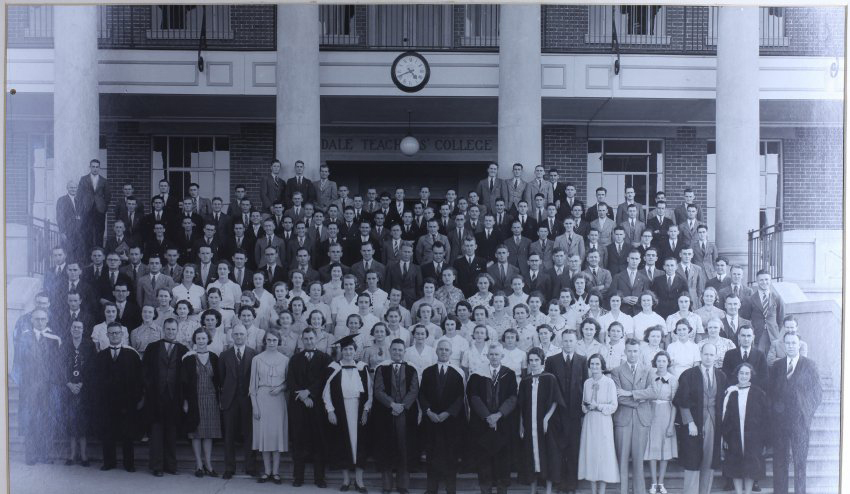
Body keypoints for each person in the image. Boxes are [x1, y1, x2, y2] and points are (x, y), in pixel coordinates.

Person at [769, 332, 822, 494]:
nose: (791, 346)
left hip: (800, 422)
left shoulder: (809, 365)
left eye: (793, 343)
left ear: (799, 345)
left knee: (800, 463)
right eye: (788, 343)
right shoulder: (777, 366)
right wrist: (775, 411)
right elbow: (770, 392)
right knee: (779, 462)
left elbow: (817, 393)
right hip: (780, 423)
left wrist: (806, 413)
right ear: (783, 345)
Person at [673, 343, 727, 494]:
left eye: (711, 355)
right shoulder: (689, 374)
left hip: (714, 422)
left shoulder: (721, 376)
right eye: (706, 354)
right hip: (694, 421)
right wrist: (689, 422)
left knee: (709, 460)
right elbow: (682, 400)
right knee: (692, 459)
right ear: (700, 354)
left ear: (715, 357)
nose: (708, 357)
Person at [323, 334, 372, 493]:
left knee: (361, 445)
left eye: (351, 349)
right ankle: (346, 480)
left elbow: (370, 393)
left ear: (355, 351)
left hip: (358, 409)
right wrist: (330, 411)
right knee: (342, 443)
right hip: (341, 409)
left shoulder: (362, 367)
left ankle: (359, 481)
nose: (348, 352)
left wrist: (366, 410)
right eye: (345, 349)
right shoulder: (334, 368)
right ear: (341, 351)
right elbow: (326, 393)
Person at [92, 322, 143, 472]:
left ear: (122, 335)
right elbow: (95, 380)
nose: (114, 335)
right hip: (106, 402)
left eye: (117, 333)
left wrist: (138, 398)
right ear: (107, 335)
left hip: (127, 402)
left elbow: (139, 379)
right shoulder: (101, 356)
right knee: (108, 432)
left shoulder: (132, 354)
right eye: (111, 333)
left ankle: (129, 464)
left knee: (128, 433)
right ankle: (109, 462)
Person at [468, 342, 518, 494]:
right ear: (487, 356)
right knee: (483, 458)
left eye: (497, 354)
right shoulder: (477, 374)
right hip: (483, 423)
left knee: (503, 459)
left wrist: (498, 415)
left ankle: (502, 490)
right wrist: (488, 416)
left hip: (502, 422)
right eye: (492, 354)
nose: (494, 357)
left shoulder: (509, 374)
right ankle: (486, 490)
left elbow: (513, 397)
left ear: (502, 356)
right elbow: (473, 396)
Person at [141, 318, 189, 476]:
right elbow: (145, 371)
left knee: (171, 432)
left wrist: (183, 397)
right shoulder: (152, 347)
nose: (170, 332)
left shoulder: (183, 349)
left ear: (177, 330)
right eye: (168, 329)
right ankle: (157, 467)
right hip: (156, 397)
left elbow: (185, 376)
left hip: (174, 397)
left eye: (173, 329)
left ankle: (171, 466)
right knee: (156, 432)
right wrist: (150, 390)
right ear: (163, 329)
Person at [15, 309, 62, 465]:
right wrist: (23, 383)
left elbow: (57, 365)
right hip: (30, 386)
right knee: (31, 420)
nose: (40, 322)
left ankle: (46, 454)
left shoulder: (53, 339)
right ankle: (31, 455)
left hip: (48, 386)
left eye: (43, 319)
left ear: (47, 320)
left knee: (46, 420)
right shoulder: (24, 338)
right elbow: (18, 363)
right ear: (32, 320)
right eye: (37, 319)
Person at [373, 339, 420, 494]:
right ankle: (387, 485)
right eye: (394, 350)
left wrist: (402, 406)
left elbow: (414, 390)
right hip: (386, 413)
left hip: (405, 414)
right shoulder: (382, 368)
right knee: (386, 447)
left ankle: (402, 485)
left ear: (404, 352)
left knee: (404, 448)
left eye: (400, 350)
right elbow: (378, 390)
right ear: (390, 351)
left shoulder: (412, 369)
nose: (397, 352)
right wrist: (392, 404)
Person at [288, 327, 333, 487]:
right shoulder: (294, 359)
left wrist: (310, 392)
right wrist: (303, 397)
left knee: (318, 441)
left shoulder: (325, 358)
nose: (308, 341)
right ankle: (298, 477)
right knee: (299, 441)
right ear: (302, 340)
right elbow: (291, 381)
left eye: (311, 338)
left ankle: (319, 478)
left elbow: (325, 380)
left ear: (316, 339)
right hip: (299, 406)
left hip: (317, 406)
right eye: (305, 338)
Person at [419, 339, 465, 494]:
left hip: (449, 422)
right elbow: (422, 394)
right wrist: (428, 412)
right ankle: (431, 489)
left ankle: (450, 489)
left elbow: (460, 397)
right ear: (436, 351)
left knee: (450, 455)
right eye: (441, 349)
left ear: (451, 353)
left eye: (446, 350)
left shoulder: (457, 373)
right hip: (431, 420)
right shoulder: (427, 372)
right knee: (432, 455)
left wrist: (447, 413)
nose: (443, 352)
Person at [544, 330, 587, 494]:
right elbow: (548, 386)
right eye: (566, 341)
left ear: (576, 342)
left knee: (573, 448)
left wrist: (582, 412)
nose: (568, 344)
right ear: (561, 342)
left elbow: (584, 386)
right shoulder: (551, 360)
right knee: (558, 448)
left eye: (571, 341)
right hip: (557, 412)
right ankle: (559, 482)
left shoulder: (582, 360)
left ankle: (572, 484)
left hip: (575, 413)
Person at [610, 337, 653, 494]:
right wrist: (640, 400)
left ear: (639, 352)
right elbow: (618, 397)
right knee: (622, 460)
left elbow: (653, 392)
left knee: (638, 460)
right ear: (625, 351)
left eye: (635, 351)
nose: (633, 354)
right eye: (630, 351)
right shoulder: (616, 371)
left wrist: (631, 393)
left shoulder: (648, 370)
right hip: (623, 420)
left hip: (642, 420)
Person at [518, 347, 564, 494]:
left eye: (537, 360)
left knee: (548, 455)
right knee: (531, 456)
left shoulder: (549, 378)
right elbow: (521, 405)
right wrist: (521, 425)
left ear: (542, 361)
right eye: (531, 360)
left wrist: (546, 419)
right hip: (530, 425)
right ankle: (533, 490)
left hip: (546, 425)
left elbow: (556, 401)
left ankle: (548, 491)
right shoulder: (525, 381)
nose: (534, 363)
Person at [721, 363, 769, 494]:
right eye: (741, 373)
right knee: (735, 464)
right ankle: (738, 492)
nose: (743, 376)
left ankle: (747, 492)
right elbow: (725, 417)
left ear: (751, 375)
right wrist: (725, 436)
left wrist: (764, 440)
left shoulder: (759, 393)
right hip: (734, 434)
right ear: (737, 374)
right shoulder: (731, 392)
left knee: (750, 466)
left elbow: (765, 418)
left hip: (753, 435)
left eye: (747, 373)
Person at [249, 329, 290, 484]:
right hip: (262, 398)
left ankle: (276, 472)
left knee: (276, 435)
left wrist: (281, 387)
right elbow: (252, 385)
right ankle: (266, 472)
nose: (272, 343)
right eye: (269, 340)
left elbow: (289, 381)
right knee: (264, 436)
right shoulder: (257, 359)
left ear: (278, 342)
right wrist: (255, 406)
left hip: (278, 399)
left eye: (274, 340)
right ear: (265, 341)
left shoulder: (285, 359)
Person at [218, 324, 258, 479]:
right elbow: (221, 378)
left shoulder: (253, 354)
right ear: (231, 336)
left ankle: (251, 466)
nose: (239, 337)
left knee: (250, 434)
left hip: (248, 399)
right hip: (230, 400)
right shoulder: (224, 355)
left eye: (242, 334)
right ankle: (229, 468)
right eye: (236, 334)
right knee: (229, 434)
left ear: (246, 335)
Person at [182, 328, 223, 478]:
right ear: (194, 340)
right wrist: (185, 401)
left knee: (208, 434)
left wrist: (220, 400)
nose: (201, 341)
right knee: (196, 433)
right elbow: (184, 383)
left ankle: (209, 464)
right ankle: (199, 464)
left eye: (203, 338)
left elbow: (219, 380)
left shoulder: (214, 357)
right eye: (198, 339)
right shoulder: (188, 358)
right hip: (195, 398)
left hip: (211, 398)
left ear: (208, 340)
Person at [578, 353, 619, 494]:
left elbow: (614, 406)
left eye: (597, 364)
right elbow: (583, 404)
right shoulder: (587, 382)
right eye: (592, 364)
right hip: (590, 421)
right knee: (591, 453)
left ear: (602, 366)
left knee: (603, 454)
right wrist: (586, 407)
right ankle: (593, 490)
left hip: (603, 421)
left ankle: (601, 492)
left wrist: (598, 406)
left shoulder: (609, 382)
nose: (594, 367)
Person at [644, 351, 679, 494]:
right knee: (653, 448)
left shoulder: (673, 379)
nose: (661, 364)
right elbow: (645, 395)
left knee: (665, 450)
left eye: (664, 361)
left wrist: (671, 424)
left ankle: (661, 482)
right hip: (651, 413)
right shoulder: (650, 377)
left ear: (668, 363)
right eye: (658, 361)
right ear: (655, 362)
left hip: (666, 414)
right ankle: (653, 483)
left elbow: (675, 403)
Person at [62, 320, 96, 467]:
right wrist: (69, 384)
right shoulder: (64, 345)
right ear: (70, 329)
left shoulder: (89, 345)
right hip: (68, 388)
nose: (77, 329)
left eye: (79, 327)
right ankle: (71, 455)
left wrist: (82, 383)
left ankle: (83, 456)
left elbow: (93, 366)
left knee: (82, 422)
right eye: (74, 327)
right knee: (71, 421)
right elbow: (59, 366)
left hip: (84, 389)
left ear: (83, 330)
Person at [722, 325, 769, 393]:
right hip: (734, 392)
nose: (746, 339)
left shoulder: (760, 355)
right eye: (743, 335)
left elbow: (764, 377)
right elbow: (726, 376)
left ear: (753, 337)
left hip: (753, 393)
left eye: (749, 336)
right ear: (739, 337)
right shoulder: (729, 354)